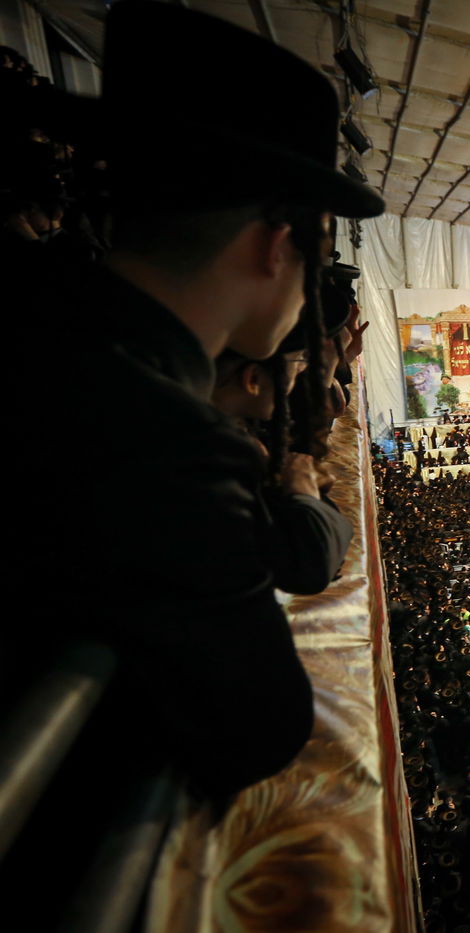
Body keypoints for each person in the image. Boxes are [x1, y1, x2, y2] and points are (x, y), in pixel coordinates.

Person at [7, 0, 384, 804]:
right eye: (317, 253)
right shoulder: (160, 438)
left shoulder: (38, 325)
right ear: (276, 245)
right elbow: (261, 724)